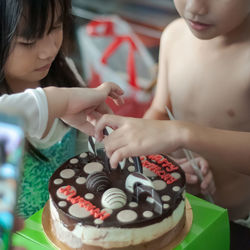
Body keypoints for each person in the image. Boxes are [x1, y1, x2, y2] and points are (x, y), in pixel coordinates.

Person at [97, 0, 250, 248]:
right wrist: (139, 139)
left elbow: (174, 129)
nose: (194, 7)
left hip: (235, 220)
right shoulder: (174, 35)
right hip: (173, 207)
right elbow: (160, 109)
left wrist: (182, 133)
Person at [0, 0, 123, 218]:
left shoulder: (64, 73)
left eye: (55, 27)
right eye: (28, 41)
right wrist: (61, 101)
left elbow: (86, 152)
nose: (48, 51)